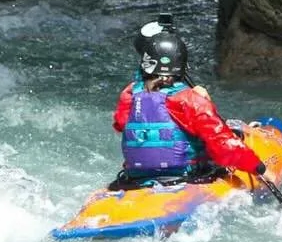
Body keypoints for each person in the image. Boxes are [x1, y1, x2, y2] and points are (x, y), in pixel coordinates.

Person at [111, 15, 266, 187]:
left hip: (135, 178)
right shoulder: (191, 100)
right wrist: (255, 166)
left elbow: (120, 124)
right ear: (181, 67)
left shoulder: (130, 93)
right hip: (186, 177)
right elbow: (222, 145)